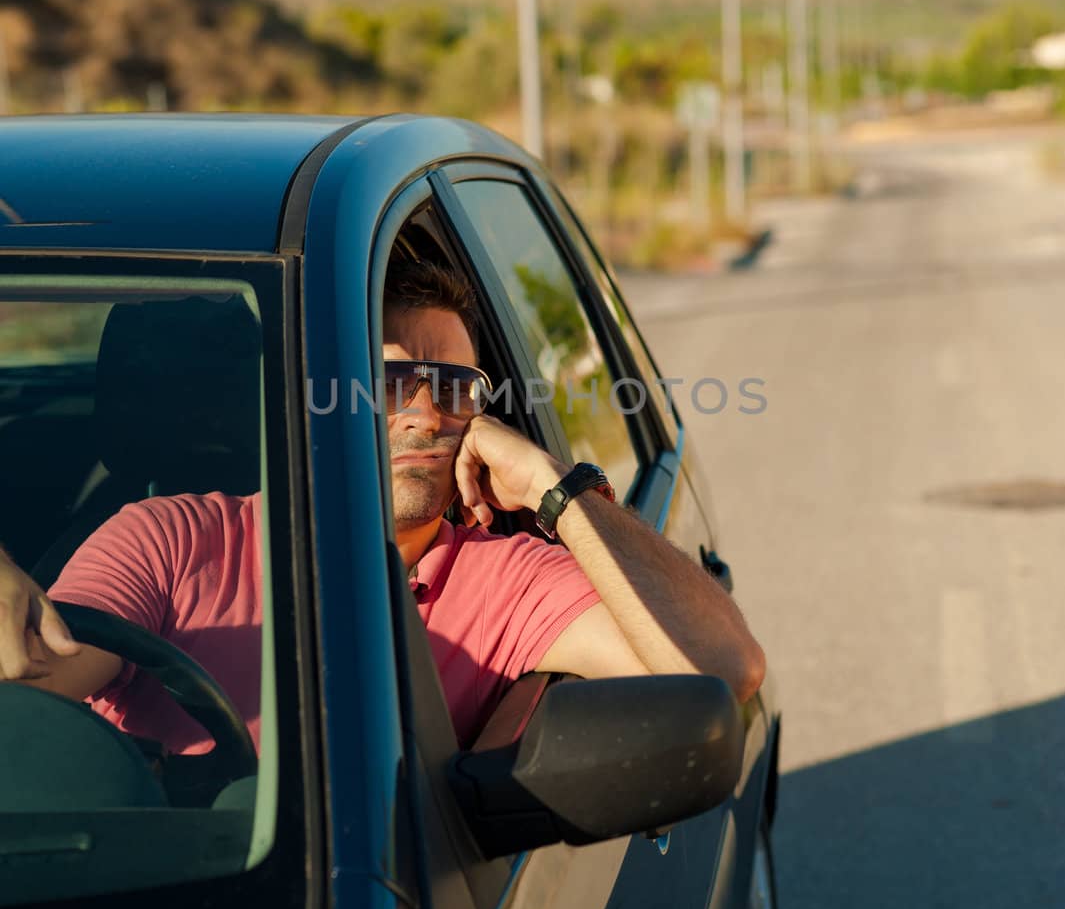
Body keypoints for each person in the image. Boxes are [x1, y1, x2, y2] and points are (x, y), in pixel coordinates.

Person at [0, 261, 765, 755]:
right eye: (393, 383)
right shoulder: (171, 539)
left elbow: (722, 672)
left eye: (456, 388)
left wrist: (549, 486)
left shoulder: (507, 579)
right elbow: (39, 683)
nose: (428, 417)